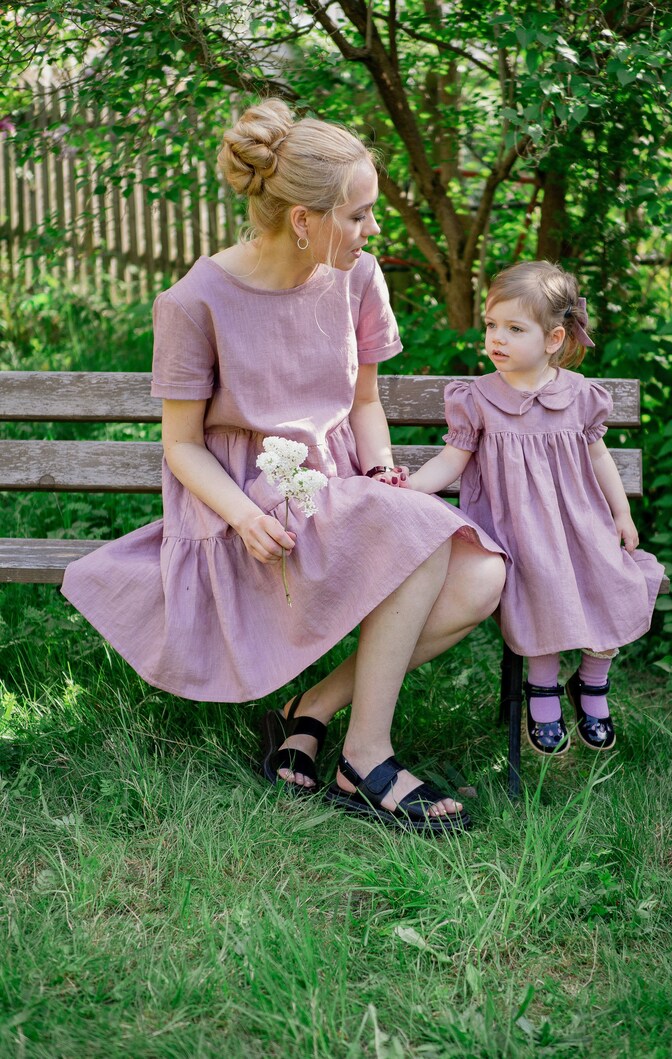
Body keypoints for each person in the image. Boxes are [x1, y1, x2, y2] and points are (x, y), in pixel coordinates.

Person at [61, 99, 506, 832]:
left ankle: (310, 711)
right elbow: (181, 445)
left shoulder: (356, 277)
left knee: (480, 575)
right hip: (251, 508)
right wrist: (242, 515)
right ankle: (366, 756)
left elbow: (363, 402)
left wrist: (383, 468)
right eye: (358, 215)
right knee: (427, 540)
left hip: (339, 492)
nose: (373, 230)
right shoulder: (195, 300)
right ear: (304, 220)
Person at [408, 260, 665, 755]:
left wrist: (621, 514)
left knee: (615, 579)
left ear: (552, 340)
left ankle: (592, 680)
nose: (496, 339)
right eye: (491, 326)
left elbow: (599, 456)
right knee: (539, 585)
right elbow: (451, 461)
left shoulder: (581, 396)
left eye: (513, 328)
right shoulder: (478, 398)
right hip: (516, 534)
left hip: (581, 525)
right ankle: (542, 688)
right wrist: (411, 489)